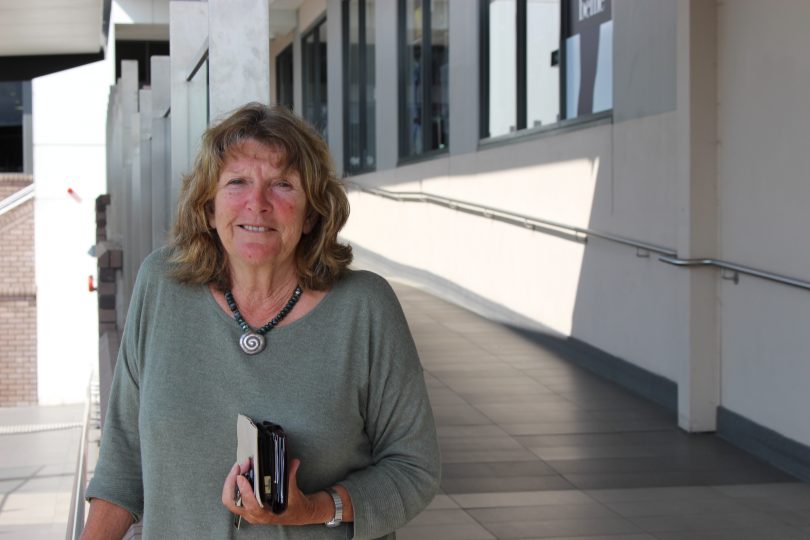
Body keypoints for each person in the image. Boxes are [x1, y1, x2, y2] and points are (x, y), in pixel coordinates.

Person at [82, 103, 441, 539]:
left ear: (311, 213)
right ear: (209, 208)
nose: (258, 204)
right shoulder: (162, 285)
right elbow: (122, 456)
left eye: (283, 185)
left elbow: (413, 468)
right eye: (237, 183)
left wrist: (312, 509)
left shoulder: (364, 307)